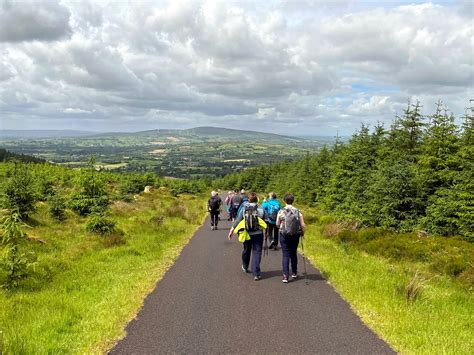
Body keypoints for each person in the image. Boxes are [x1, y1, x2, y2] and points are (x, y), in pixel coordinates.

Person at [228, 192, 266, 281]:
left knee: (246, 250)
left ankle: (245, 266)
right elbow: (265, 220)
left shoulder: (244, 207)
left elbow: (238, 219)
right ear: (257, 200)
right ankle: (256, 273)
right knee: (257, 252)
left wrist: (232, 230)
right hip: (258, 234)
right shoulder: (261, 208)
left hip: (247, 233)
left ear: (249, 199)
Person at [276, 194, 306, 283]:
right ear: (293, 200)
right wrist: (302, 233)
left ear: (284, 200)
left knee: (285, 254)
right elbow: (303, 224)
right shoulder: (297, 211)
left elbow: (277, 224)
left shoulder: (281, 211)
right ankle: (294, 272)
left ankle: (285, 276)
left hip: (284, 234)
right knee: (293, 253)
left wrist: (281, 227)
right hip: (295, 234)